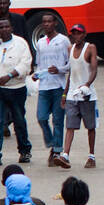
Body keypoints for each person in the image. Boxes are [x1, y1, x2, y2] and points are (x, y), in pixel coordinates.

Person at [0, 16, 33, 167]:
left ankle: (25, 151)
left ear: (11, 28)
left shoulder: (21, 43)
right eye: (1, 27)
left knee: (19, 120)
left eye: (7, 27)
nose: (4, 29)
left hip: (16, 88)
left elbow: (26, 64)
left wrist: (9, 76)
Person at [60, 23, 100, 170]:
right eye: (74, 33)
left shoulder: (90, 48)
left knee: (90, 126)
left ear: (84, 34)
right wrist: (65, 93)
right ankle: (65, 155)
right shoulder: (70, 49)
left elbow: (94, 69)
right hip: (72, 94)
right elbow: (71, 73)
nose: (76, 36)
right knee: (70, 125)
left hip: (87, 94)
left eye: (79, 33)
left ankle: (91, 155)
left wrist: (87, 85)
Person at [33, 13, 70, 168]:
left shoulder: (63, 41)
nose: (47, 24)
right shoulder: (40, 43)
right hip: (44, 86)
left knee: (57, 120)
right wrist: (36, 74)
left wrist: (59, 69)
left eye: (49, 22)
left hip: (58, 85)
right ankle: (51, 141)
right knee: (41, 117)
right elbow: (39, 64)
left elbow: (70, 64)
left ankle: (56, 151)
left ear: (55, 23)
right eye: (44, 22)